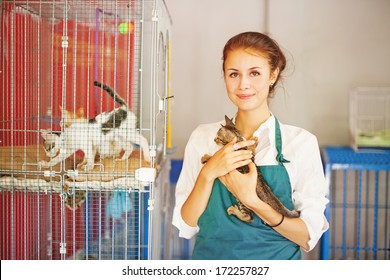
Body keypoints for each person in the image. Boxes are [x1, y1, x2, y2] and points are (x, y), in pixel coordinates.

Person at [172, 31, 329, 260]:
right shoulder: (203, 138)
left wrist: (252, 201)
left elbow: (307, 236)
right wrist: (208, 173)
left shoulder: (301, 143)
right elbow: (186, 225)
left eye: (254, 73)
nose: (243, 84)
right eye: (234, 74)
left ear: (273, 75)